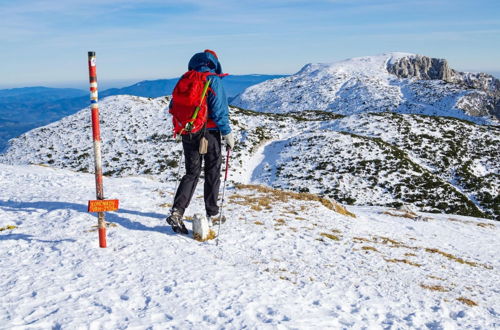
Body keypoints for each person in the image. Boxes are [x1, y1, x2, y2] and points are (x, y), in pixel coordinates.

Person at [166, 49, 234, 234]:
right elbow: (219, 110)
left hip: (188, 131)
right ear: (214, 63)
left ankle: (177, 212)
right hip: (209, 133)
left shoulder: (185, 79)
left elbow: (173, 106)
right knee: (212, 172)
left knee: (191, 173)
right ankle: (212, 213)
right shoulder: (213, 79)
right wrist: (227, 133)